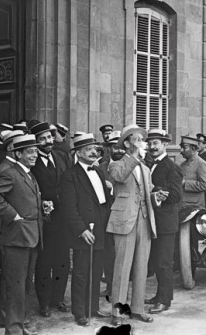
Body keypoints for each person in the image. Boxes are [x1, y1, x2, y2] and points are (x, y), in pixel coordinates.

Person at [106, 124, 167, 325]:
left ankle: (138, 309)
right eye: (137, 139)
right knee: (122, 268)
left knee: (142, 267)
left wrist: (155, 196)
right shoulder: (116, 164)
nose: (143, 143)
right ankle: (117, 313)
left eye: (143, 139)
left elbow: (145, 192)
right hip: (124, 220)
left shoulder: (145, 168)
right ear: (127, 143)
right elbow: (119, 177)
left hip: (144, 219)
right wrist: (132, 156)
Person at [0, 134, 44, 335]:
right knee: (15, 286)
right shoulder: (10, 173)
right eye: (29, 152)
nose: (34, 155)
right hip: (16, 238)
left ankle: (17, 324)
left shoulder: (29, 174)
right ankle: (13, 328)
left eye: (36, 151)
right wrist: (13, 215)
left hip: (31, 237)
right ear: (17, 153)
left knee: (25, 285)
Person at [59, 133, 113, 326]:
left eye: (95, 149)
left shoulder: (98, 172)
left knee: (97, 271)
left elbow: (105, 201)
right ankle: (79, 312)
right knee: (81, 272)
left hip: (100, 228)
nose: (93, 152)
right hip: (84, 230)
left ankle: (92, 307)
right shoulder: (70, 175)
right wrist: (81, 229)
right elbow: (69, 207)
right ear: (79, 153)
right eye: (89, 149)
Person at [29, 121, 72, 317]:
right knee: (44, 261)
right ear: (35, 142)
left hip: (63, 219)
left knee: (62, 260)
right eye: (42, 139)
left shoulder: (62, 156)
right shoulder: (31, 161)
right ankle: (44, 302)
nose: (48, 142)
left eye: (49, 137)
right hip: (43, 220)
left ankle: (58, 298)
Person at [144, 129, 183, 314]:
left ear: (165, 144)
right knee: (157, 261)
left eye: (156, 143)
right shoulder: (150, 164)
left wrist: (154, 189)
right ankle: (160, 295)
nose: (152, 147)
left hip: (166, 223)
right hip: (153, 221)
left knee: (164, 262)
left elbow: (175, 195)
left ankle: (164, 301)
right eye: (149, 143)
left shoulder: (171, 167)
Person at [0, 130, 26, 327]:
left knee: (10, 275)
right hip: (8, 227)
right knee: (10, 276)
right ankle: (5, 315)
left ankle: (6, 314)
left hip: (11, 227)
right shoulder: (7, 169)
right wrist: (13, 215)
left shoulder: (12, 167)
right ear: (12, 148)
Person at [97, 130, 124, 298]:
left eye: (122, 147)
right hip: (104, 217)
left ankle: (121, 290)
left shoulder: (129, 167)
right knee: (107, 253)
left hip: (122, 217)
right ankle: (109, 286)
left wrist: (111, 188)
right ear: (109, 148)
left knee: (121, 254)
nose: (119, 150)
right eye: (115, 147)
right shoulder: (100, 167)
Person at [178, 136, 206, 208]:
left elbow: (205, 185)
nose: (181, 150)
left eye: (184, 147)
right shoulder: (182, 165)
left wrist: (184, 183)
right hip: (181, 205)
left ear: (193, 148)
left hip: (195, 207)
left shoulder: (201, 164)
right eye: (181, 147)